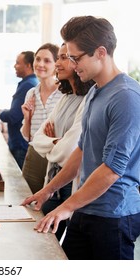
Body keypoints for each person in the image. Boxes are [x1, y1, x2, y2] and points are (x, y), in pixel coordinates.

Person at [22, 16, 140, 260]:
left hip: (114, 215)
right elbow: (82, 150)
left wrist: (66, 206)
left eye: (76, 58)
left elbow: (111, 170)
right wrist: (48, 190)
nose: (72, 64)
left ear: (100, 52)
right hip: (85, 207)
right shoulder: (95, 91)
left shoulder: (126, 97)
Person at [31, 43, 95, 241]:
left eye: (63, 58)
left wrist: (55, 142)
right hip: (54, 180)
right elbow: (37, 139)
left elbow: (70, 151)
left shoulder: (89, 99)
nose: (57, 63)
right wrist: (58, 141)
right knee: (43, 241)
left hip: (72, 185)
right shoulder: (66, 98)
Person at [21, 43, 62, 194]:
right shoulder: (31, 93)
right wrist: (27, 118)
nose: (40, 64)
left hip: (56, 156)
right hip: (34, 155)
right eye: (37, 59)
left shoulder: (65, 94)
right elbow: (27, 136)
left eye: (47, 60)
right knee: (26, 199)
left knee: (49, 205)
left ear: (57, 65)